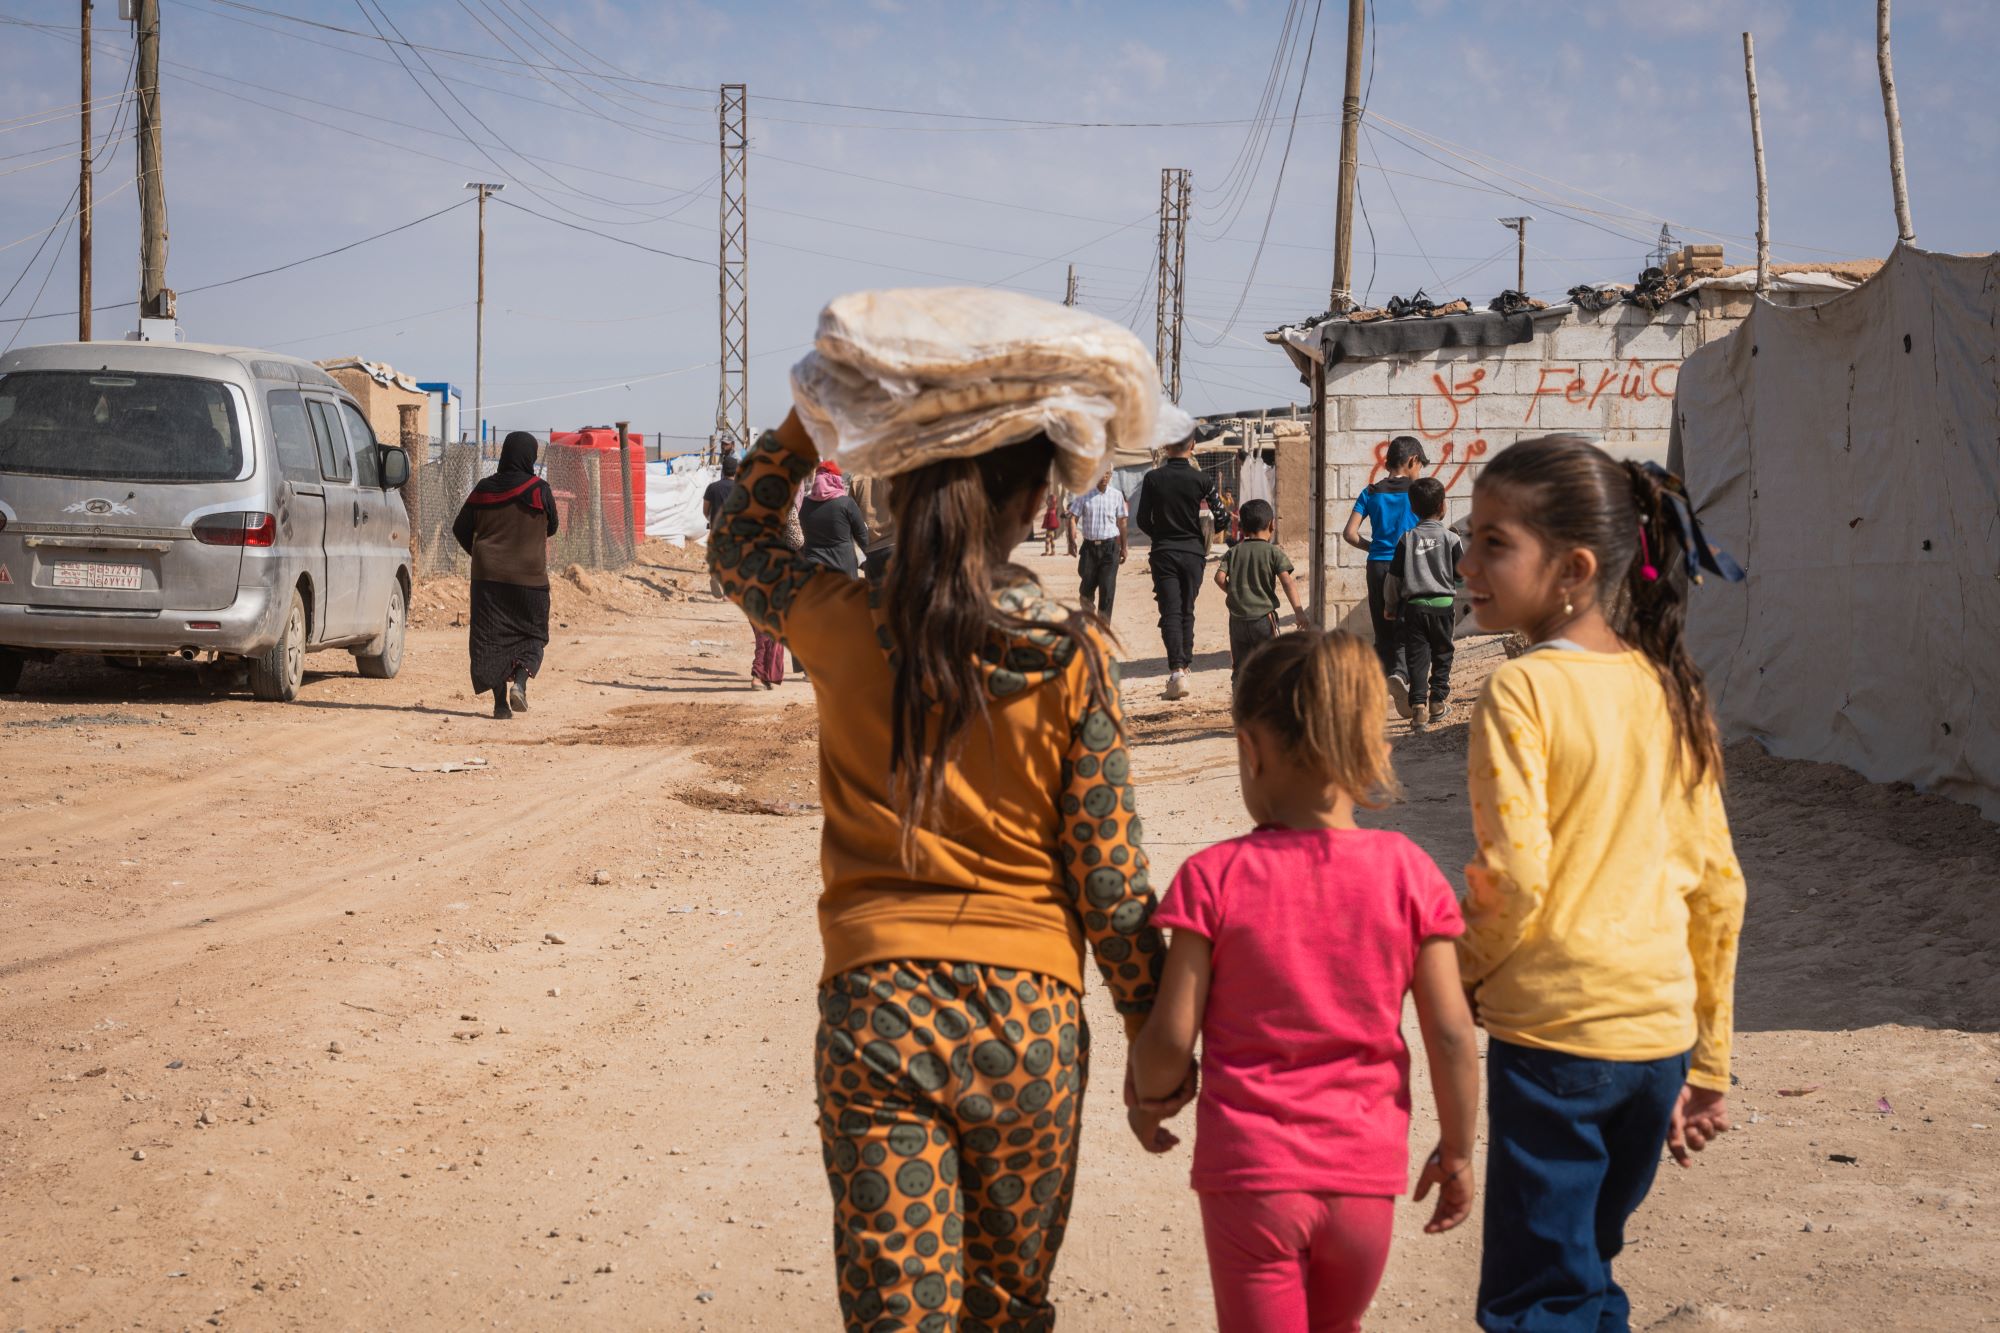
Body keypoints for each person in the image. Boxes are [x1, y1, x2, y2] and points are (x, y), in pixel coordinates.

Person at [710, 408, 1182, 1332]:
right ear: (1037, 499)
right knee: (1004, 1311)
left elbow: (738, 542)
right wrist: (1151, 1032)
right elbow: (1111, 877)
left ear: (900, 488)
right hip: (1029, 1024)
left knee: (903, 1315)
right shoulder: (1069, 651)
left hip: (877, 1013)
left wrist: (807, 426)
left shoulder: (841, 621)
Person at [1456, 435, 1747, 1332]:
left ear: (1574, 567)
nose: (1465, 561)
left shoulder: (1524, 692)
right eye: (1469, 535)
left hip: (1557, 1040)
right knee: (1583, 1263)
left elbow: (1517, 871)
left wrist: (1464, 968)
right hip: (1655, 1040)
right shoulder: (1670, 689)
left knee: (1537, 1295)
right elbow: (1718, 888)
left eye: (1493, 541)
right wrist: (1708, 1057)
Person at [1127, 629, 1481, 1333]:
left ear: (1251, 749)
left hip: (1252, 1181)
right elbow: (1449, 1032)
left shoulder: (1213, 877)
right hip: (1364, 1180)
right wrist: (1459, 1147)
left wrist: (1151, 1095)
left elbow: (1171, 1034)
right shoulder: (1409, 872)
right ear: (1372, 746)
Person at [451, 431, 559, 719]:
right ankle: (520, 684)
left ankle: (500, 704)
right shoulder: (540, 490)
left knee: (489, 640)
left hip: (488, 581)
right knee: (532, 635)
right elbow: (553, 528)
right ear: (530, 457)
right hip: (531, 581)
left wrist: (483, 555)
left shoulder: (484, 489)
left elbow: (460, 528)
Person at [1136, 423, 1225, 700]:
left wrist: (1161, 535)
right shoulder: (1202, 481)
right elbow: (1221, 518)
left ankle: (1177, 670)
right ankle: (1185, 667)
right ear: (1193, 446)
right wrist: (1201, 539)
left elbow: (1142, 520)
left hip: (1163, 552)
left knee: (1170, 611)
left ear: (1166, 446)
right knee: (1187, 609)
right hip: (1193, 555)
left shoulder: (1152, 479)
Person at [1343, 435, 1428, 701]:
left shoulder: (1370, 492)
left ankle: (1380, 690)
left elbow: (1350, 533)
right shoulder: (1417, 492)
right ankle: (1402, 676)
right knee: (1407, 624)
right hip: (1409, 565)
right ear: (1412, 461)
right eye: (1419, 466)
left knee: (1383, 626)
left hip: (1377, 566)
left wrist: (1374, 549)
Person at [1386, 477, 1463, 731]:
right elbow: (1461, 576)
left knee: (1417, 657)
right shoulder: (1451, 539)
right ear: (1443, 506)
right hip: (1443, 606)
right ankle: (1438, 702)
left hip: (1414, 607)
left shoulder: (1406, 539)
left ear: (1412, 508)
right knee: (1443, 652)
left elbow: (1394, 577)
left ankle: (1418, 709)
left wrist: (1390, 605)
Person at [1212, 498, 1307, 681]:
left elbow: (1219, 578)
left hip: (1237, 620)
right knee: (1273, 664)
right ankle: (1270, 704)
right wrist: (1299, 612)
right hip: (1264, 618)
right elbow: (1287, 582)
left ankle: (1241, 704)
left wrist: (1235, 593)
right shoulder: (1273, 552)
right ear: (1272, 525)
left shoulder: (1233, 552)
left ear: (1242, 527)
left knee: (1240, 668)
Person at [1068, 470, 1129, 618]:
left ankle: (1102, 630)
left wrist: (1124, 547)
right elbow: (1072, 518)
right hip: (1089, 549)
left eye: (1108, 473)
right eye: (1101, 473)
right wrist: (1071, 540)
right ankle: (1089, 623)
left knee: (1107, 590)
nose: (1104, 476)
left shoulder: (1116, 495)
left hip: (1110, 548)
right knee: (1086, 592)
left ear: (1111, 475)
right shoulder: (1084, 494)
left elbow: (1122, 522)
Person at [701, 453, 740, 598]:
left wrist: (710, 520)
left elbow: (705, 510)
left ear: (723, 470)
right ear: (737, 471)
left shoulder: (712, 487)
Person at [849, 472, 896, 580]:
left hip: (873, 551)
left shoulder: (856, 480)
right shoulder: (894, 474)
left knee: (877, 595)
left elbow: (852, 520)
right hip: (896, 545)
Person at [1041, 490, 1062, 555]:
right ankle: (1053, 551)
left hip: (1050, 524)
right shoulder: (1054, 508)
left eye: (1049, 500)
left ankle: (1047, 551)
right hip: (1052, 524)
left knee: (1047, 538)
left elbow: (1047, 502)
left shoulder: (1051, 508)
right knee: (1052, 538)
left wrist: (1049, 497)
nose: (1048, 501)